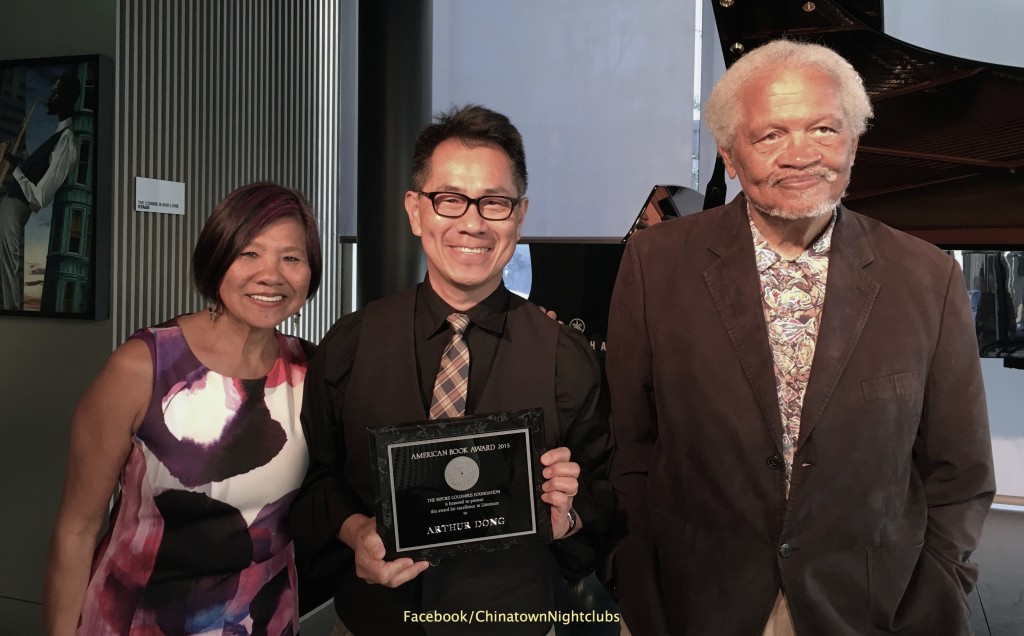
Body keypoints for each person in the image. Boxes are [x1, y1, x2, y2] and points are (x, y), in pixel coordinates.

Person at [606, 39, 995, 636]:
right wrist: (634, 577)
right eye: (770, 135)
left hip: (871, 605)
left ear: (854, 144)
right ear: (730, 156)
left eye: (823, 129)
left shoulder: (927, 275)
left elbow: (959, 470)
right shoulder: (655, 264)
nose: (801, 155)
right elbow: (630, 444)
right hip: (695, 601)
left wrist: (940, 582)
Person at [291, 104, 613, 636]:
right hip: (372, 622)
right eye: (449, 200)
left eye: (494, 203)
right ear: (416, 211)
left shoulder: (567, 358)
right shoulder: (351, 342)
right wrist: (354, 532)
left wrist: (569, 517)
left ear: (520, 215)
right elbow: (317, 478)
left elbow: (606, 490)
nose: (472, 222)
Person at [44, 182, 323, 635]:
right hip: (135, 617)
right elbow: (76, 530)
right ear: (216, 259)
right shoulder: (143, 366)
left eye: (291, 257)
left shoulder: (313, 371)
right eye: (249, 253)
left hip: (261, 621)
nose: (271, 274)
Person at [0, 72, 81, 310]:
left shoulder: (67, 141)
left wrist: (15, 169)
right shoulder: (59, 136)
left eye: (56, 91)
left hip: (14, 211)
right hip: (9, 207)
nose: (51, 95)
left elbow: (40, 197)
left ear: (66, 97)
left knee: (7, 273)